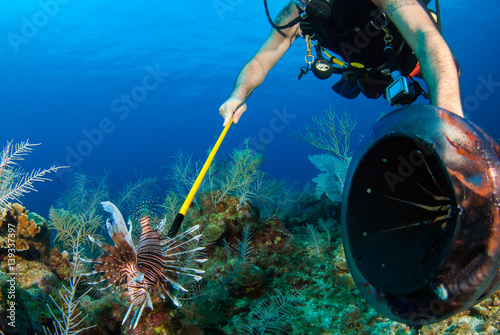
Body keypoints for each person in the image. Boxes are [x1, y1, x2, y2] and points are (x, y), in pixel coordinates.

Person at [219, 0, 464, 127]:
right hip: (365, 71)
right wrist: (237, 95)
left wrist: (451, 121)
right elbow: (259, 62)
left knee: (449, 71)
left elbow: (425, 39)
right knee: (371, 91)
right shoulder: (295, 14)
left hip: (411, 57)